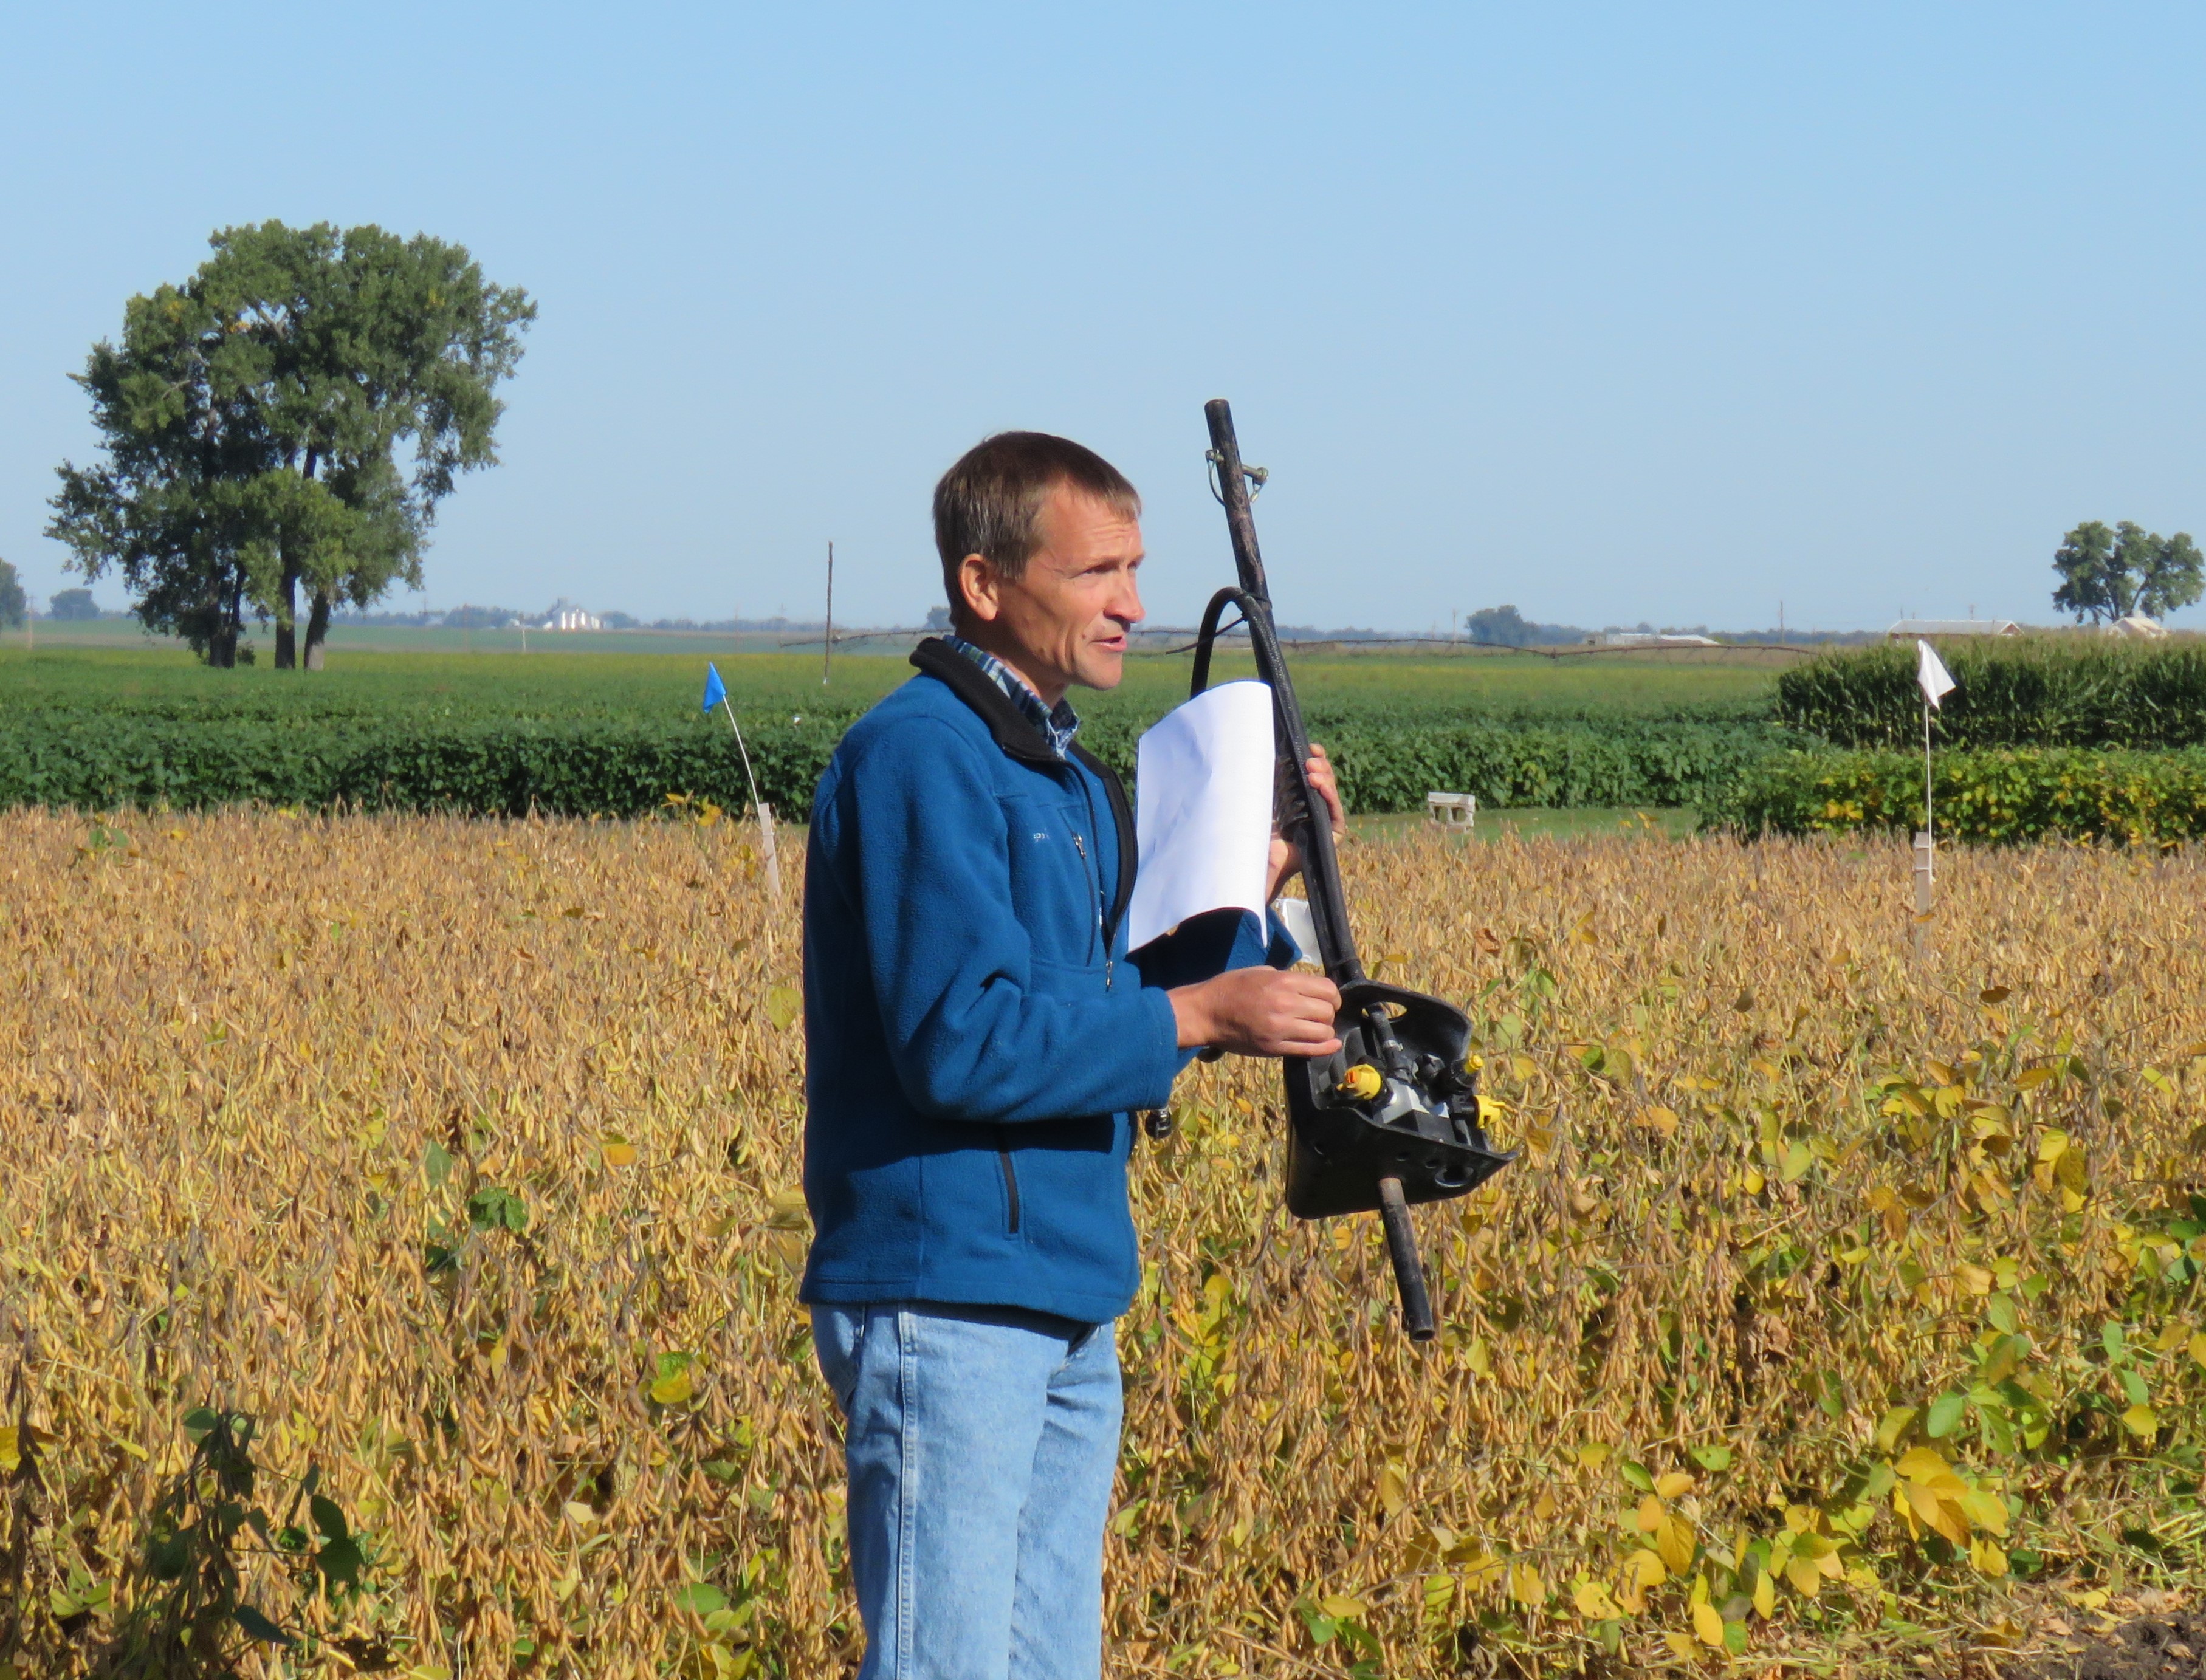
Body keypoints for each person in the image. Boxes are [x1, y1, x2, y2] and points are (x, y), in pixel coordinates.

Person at [799, 431, 1347, 1678]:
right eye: (1100, 572)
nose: (1134, 608)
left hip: (1067, 1287)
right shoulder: (923, 757)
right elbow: (965, 1041)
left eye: (1139, 570)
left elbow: (1110, 1010)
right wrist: (1204, 1018)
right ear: (987, 584)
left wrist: (1262, 893)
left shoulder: (1064, 780)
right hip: (948, 1295)